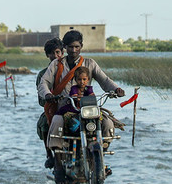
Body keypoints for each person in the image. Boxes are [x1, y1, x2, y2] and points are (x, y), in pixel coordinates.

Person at [37, 30, 125, 163]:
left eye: (77, 47)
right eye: (70, 47)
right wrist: (48, 94)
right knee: (56, 123)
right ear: (65, 47)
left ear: (81, 46)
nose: (73, 50)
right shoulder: (56, 64)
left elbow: (105, 80)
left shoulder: (90, 63)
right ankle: (58, 163)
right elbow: (43, 82)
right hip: (66, 108)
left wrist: (116, 89)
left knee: (107, 123)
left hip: (87, 108)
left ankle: (101, 156)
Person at [35, 38, 64, 164]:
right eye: (52, 53)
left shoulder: (69, 70)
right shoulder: (43, 75)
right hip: (52, 109)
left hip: (71, 106)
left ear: (62, 53)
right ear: (47, 55)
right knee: (44, 123)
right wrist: (49, 98)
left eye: (58, 52)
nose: (55, 56)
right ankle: (50, 155)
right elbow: (41, 100)